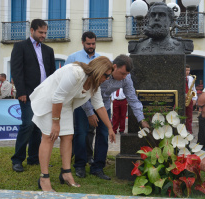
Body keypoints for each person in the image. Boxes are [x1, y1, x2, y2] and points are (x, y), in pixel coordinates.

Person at [30, 56, 115, 192]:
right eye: (106, 76)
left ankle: (66, 173)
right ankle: (44, 178)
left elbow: (99, 105)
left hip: (65, 104)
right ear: (99, 71)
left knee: (68, 137)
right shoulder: (74, 73)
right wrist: (55, 123)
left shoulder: (94, 84)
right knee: (49, 137)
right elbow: (57, 97)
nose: (107, 79)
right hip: (50, 101)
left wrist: (110, 128)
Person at [75, 54, 150, 180]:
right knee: (81, 133)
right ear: (114, 67)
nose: (124, 77)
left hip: (103, 105)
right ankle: (80, 165)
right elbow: (82, 91)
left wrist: (141, 119)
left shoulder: (126, 78)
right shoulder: (101, 70)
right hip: (84, 102)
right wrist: (90, 113)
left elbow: (132, 98)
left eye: (126, 74)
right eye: (122, 73)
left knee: (104, 134)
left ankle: (98, 167)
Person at [10, 19, 56, 172]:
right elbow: (17, 71)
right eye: (40, 32)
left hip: (44, 95)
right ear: (32, 30)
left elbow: (51, 74)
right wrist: (21, 92)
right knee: (28, 125)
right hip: (27, 94)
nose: (43, 35)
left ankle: (34, 158)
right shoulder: (20, 47)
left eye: (45, 33)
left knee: (39, 127)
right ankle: (17, 159)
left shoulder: (48, 50)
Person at [65, 31, 99, 168]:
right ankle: (78, 161)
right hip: (78, 101)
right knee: (80, 131)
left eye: (93, 43)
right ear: (82, 43)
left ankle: (88, 156)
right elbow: (67, 79)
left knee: (91, 130)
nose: (91, 46)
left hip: (94, 100)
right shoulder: (73, 58)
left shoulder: (100, 59)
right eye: (88, 43)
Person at [128, 2, 192, 55]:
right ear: (148, 20)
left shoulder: (182, 46)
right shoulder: (136, 46)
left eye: (161, 15)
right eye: (153, 15)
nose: (156, 18)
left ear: (171, 22)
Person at [185, 65, 197, 134]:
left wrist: (194, 98)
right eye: (186, 70)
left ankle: (189, 131)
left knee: (189, 117)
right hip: (183, 98)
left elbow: (193, 89)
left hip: (190, 99)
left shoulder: (191, 78)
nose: (187, 72)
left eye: (188, 70)